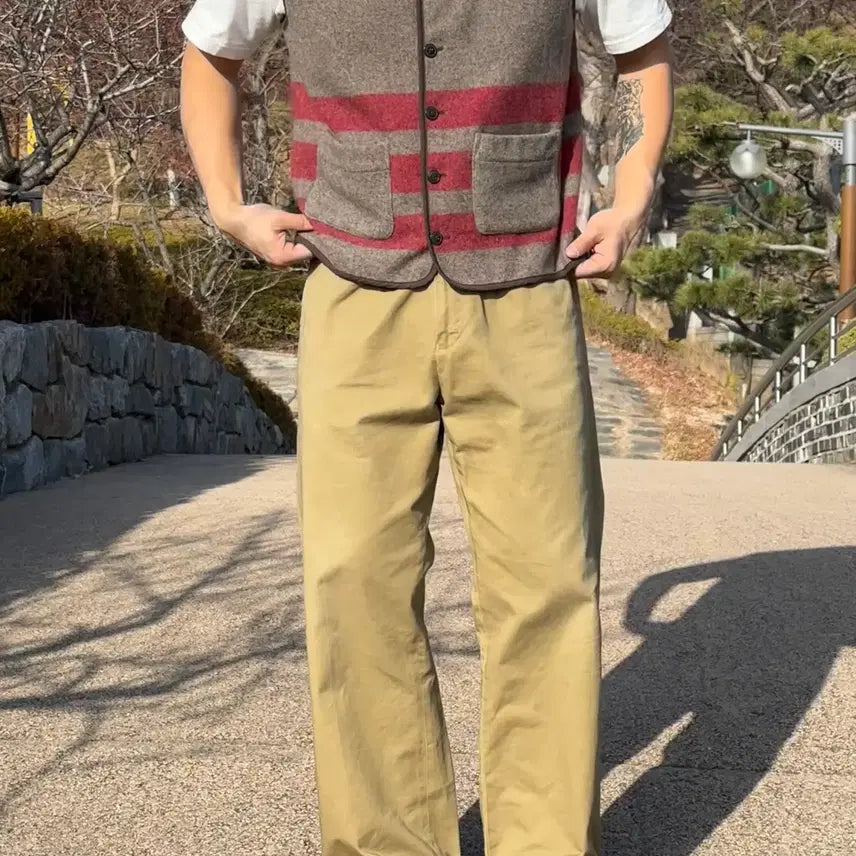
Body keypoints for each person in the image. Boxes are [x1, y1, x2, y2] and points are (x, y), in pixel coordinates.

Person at [179, 2, 674, 854]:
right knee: (353, 577)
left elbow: (642, 52)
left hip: (526, 283)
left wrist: (630, 201)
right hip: (354, 283)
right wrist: (229, 206)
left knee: (547, 579)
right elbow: (210, 49)